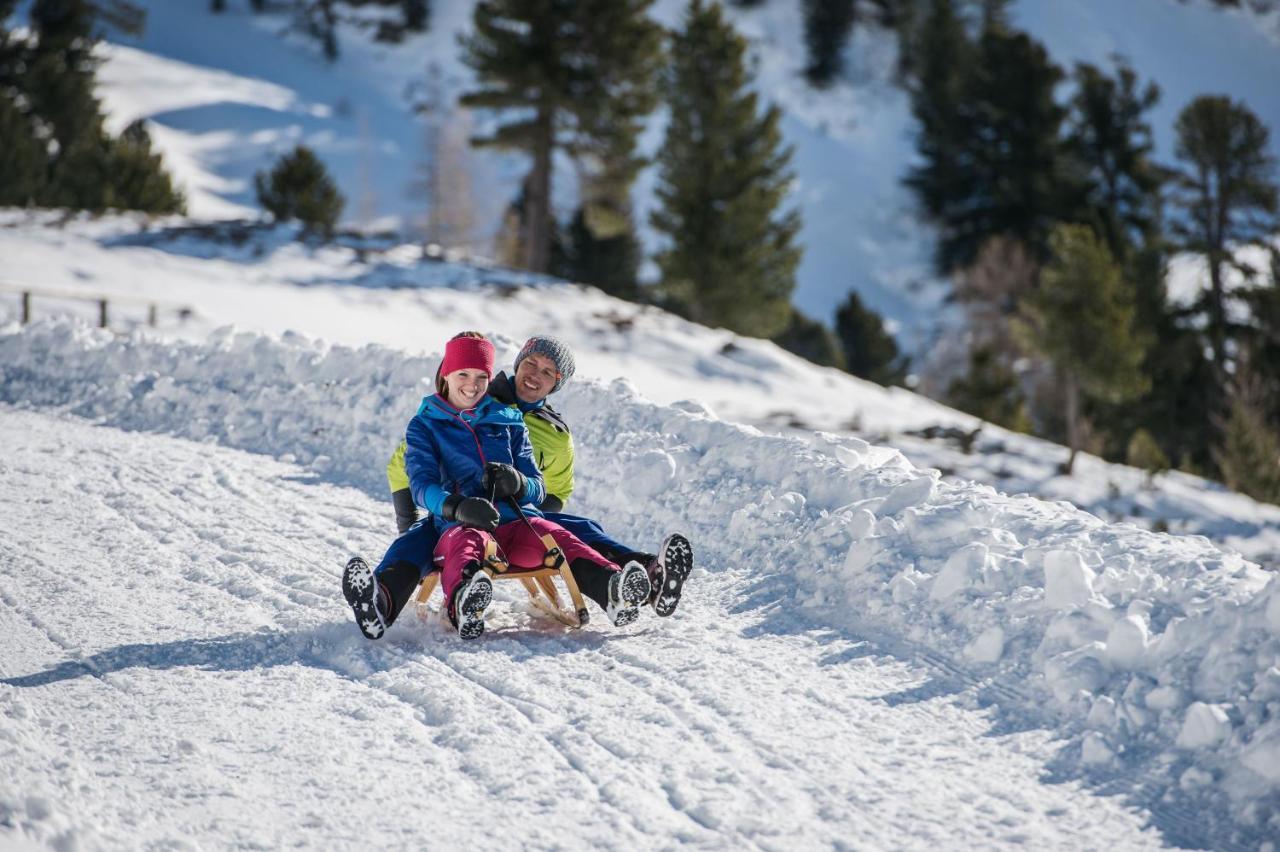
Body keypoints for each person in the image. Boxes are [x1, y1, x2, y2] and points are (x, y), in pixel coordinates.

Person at [342, 332, 652, 640]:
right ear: (446, 374)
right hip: (461, 524)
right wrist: (456, 507)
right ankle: (448, 604)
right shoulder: (426, 425)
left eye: (481, 377)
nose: (472, 384)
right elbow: (421, 484)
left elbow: (539, 487)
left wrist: (518, 484)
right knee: (461, 544)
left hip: (517, 523)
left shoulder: (510, 421)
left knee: (557, 536)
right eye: (463, 374)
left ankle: (612, 590)